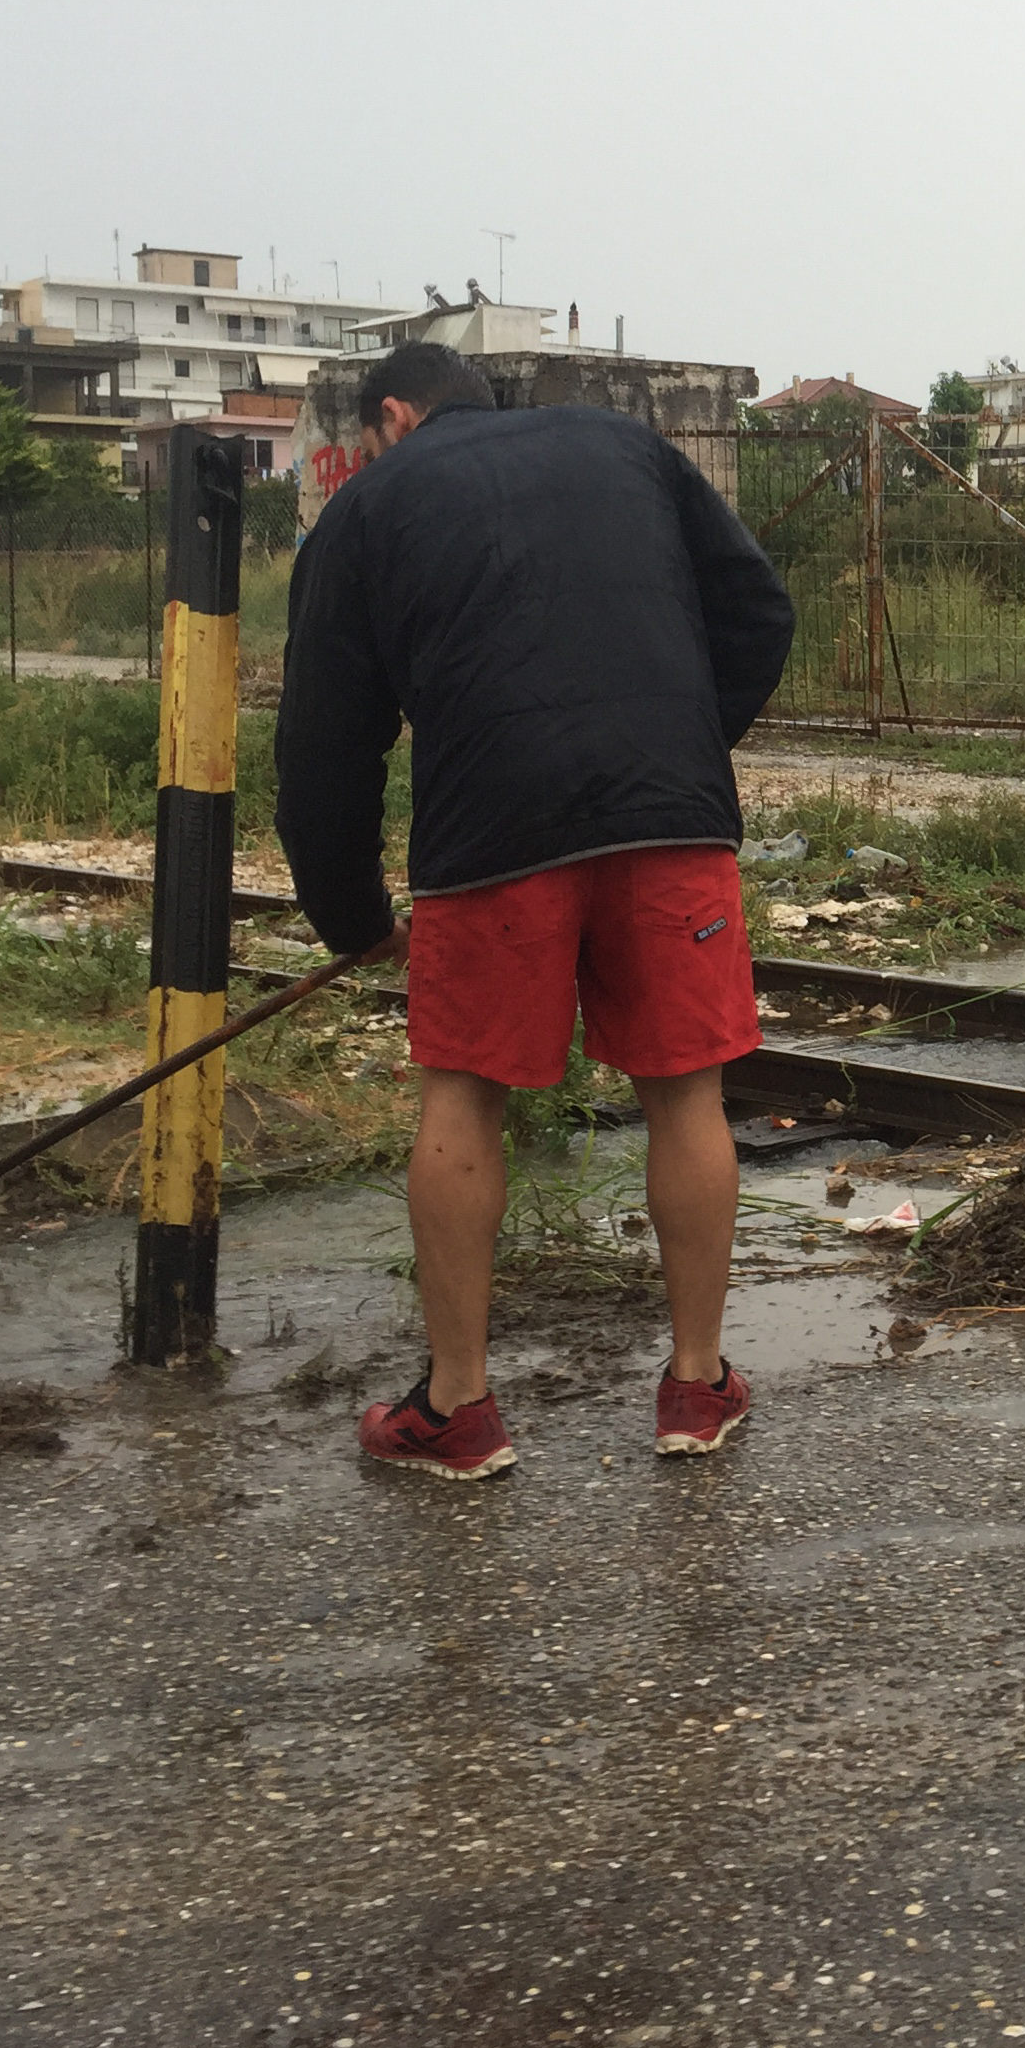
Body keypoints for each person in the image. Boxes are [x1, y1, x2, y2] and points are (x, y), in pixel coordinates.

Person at [276, 339, 796, 1480]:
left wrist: (352, 916)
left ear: (395, 420)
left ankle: (457, 1410)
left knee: (462, 1096)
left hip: (488, 838)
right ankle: (698, 1389)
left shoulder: (368, 510)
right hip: (671, 824)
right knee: (686, 1093)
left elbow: (324, 746)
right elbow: (759, 612)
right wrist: (682, 742)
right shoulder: (628, 447)